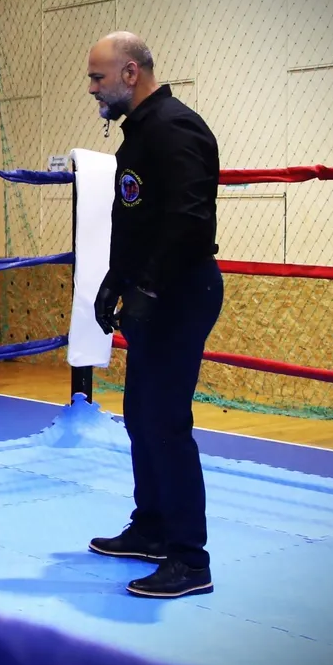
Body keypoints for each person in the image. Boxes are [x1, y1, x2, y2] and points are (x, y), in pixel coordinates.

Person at [86, 31, 223, 598]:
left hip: (181, 292)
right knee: (141, 416)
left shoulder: (175, 127)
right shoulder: (141, 132)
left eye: (98, 77)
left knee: (166, 423)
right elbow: (136, 221)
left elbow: (190, 220)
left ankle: (190, 560)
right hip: (153, 290)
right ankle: (153, 528)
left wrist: (147, 287)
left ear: (131, 73)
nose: (92, 88)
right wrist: (114, 282)